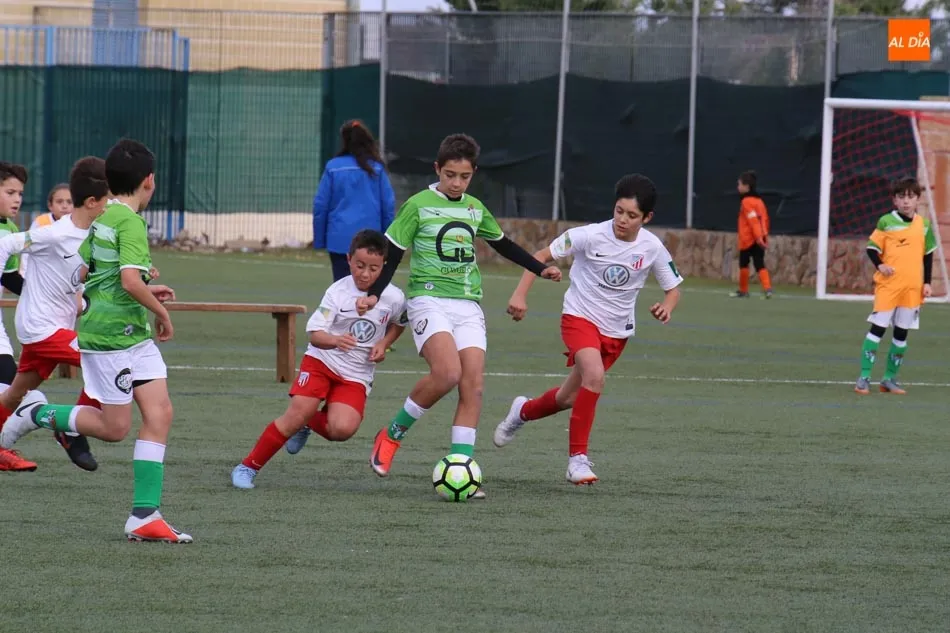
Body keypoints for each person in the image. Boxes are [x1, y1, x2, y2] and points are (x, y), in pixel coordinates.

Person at [0, 139, 189, 543]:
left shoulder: (106, 218)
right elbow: (126, 279)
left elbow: (90, 270)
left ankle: (145, 515)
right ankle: (38, 415)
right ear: (149, 181)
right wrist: (161, 311)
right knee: (115, 428)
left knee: (160, 413)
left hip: (132, 335)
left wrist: (142, 288)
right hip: (109, 339)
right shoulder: (128, 222)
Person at [357, 133, 561, 495]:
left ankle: (460, 468)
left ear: (473, 174)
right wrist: (374, 294)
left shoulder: (475, 208)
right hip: (428, 300)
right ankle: (390, 435)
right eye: (450, 175)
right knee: (447, 373)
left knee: (473, 386)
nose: (456, 183)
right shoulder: (418, 205)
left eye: (464, 177)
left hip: (467, 304)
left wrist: (539, 268)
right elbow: (393, 254)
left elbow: (503, 245)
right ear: (437, 169)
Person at [494, 174, 683, 485]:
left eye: (632, 215)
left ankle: (522, 412)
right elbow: (540, 257)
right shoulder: (588, 235)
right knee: (594, 376)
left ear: (647, 218)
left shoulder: (652, 247)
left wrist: (667, 307)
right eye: (619, 211)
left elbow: (673, 288)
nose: (622, 220)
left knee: (568, 398)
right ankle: (577, 460)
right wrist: (519, 294)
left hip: (616, 333)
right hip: (579, 318)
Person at [231, 230, 407, 490]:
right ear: (348, 259)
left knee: (342, 430)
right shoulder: (337, 292)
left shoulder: (393, 296)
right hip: (322, 362)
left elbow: (400, 321)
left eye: (374, 268)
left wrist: (384, 343)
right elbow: (315, 334)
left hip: (356, 374)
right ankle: (248, 467)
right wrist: (335, 340)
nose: (365, 274)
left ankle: (307, 422)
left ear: (385, 266)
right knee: (296, 414)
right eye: (359, 266)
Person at [0, 157, 110, 472]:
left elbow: (78, 281)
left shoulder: (93, 235)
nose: (111, 207)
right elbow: (7, 244)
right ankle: (70, 429)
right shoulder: (54, 234)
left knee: (14, 394)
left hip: (52, 328)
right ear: (92, 201)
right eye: (108, 200)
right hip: (40, 328)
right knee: (104, 361)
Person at [854, 177, 937, 395]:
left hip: (912, 289)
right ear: (894, 200)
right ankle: (864, 377)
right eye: (901, 197)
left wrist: (927, 282)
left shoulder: (923, 225)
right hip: (889, 287)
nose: (906, 201)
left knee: (901, 334)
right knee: (877, 330)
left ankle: (889, 379)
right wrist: (880, 265)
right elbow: (872, 248)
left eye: (911, 197)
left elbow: (928, 255)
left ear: (918, 199)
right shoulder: (886, 221)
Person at [313, 120, 396, 282]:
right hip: (372, 240)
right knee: (369, 285)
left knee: (342, 286)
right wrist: (388, 240)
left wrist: (320, 239)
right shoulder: (376, 168)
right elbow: (388, 206)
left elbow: (320, 206)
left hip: (339, 239)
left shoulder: (333, 167)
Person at [0, 162, 36, 471]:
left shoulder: (11, 231)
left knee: (13, 388)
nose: (17, 200)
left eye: (20, 193)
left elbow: (10, 278)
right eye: (10, 192)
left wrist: (42, 297)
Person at [730, 170, 772, 299]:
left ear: (747, 186)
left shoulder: (746, 202)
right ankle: (767, 288)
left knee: (744, 263)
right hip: (760, 237)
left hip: (749, 238)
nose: (738, 187)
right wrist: (764, 235)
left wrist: (758, 237)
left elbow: (753, 220)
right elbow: (764, 219)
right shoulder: (760, 201)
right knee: (759, 263)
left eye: (739, 184)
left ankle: (743, 290)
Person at [22, 183, 72, 275]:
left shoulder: (79, 224)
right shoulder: (41, 222)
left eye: (69, 202)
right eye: (59, 202)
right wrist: (23, 274)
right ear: (50, 205)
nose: (65, 206)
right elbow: (27, 247)